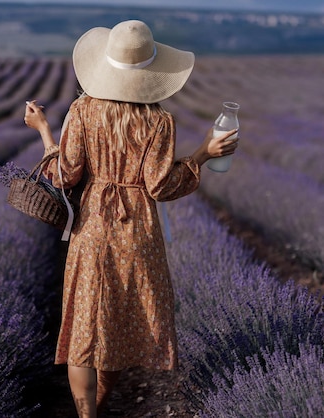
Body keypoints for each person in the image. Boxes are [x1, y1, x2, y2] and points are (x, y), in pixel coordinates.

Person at [23, 20, 239, 417]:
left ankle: (87, 415)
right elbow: (161, 187)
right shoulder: (159, 122)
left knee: (84, 329)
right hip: (138, 232)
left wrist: (44, 133)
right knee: (120, 324)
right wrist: (204, 154)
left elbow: (66, 174)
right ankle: (100, 407)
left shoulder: (83, 110)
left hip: (92, 229)